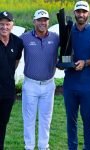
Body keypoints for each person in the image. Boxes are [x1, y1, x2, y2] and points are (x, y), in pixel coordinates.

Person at [63, 1, 90, 150]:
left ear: (89, 13)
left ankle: (88, 148)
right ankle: (72, 148)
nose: (81, 14)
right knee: (71, 121)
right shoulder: (67, 31)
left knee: (88, 121)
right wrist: (61, 62)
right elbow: (60, 54)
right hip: (69, 85)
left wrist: (86, 62)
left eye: (84, 12)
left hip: (88, 86)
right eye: (78, 11)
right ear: (74, 13)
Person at [20, 9, 59, 150]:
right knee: (29, 119)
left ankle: (44, 146)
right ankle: (29, 147)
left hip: (49, 85)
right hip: (30, 84)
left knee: (45, 119)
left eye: (45, 20)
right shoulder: (24, 38)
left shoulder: (55, 37)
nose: (43, 22)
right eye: (40, 20)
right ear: (34, 21)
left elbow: (69, 45)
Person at [0, 11, 23, 150]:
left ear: (12, 25)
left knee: (2, 124)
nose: (4, 27)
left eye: (7, 24)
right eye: (1, 24)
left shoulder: (17, 42)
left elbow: (16, 61)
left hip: (8, 92)